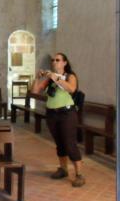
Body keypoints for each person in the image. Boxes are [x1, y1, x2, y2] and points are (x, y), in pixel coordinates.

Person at [31, 52, 85, 187]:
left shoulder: (70, 76)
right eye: (53, 60)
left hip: (67, 114)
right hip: (52, 114)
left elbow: (72, 89)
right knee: (60, 143)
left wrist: (56, 78)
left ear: (65, 63)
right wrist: (37, 78)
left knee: (69, 143)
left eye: (58, 60)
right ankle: (63, 169)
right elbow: (35, 92)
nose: (54, 62)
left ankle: (79, 174)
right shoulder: (49, 79)